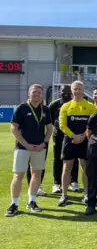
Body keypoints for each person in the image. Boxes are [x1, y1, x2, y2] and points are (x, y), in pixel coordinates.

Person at [5, 84, 53, 217]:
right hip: (22, 148)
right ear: (29, 93)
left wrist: (44, 143)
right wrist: (25, 144)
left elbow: (49, 128)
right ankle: (14, 204)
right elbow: (13, 128)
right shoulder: (21, 108)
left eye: (39, 92)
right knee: (18, 175)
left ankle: (32, 201)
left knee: (36, 174)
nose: (37, 94)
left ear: (42, 95)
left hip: (39, 148)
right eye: (34, 92)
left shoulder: (45, 109)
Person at [58, 81, 97, 207]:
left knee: (85, 166)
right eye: (75, 88)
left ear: (83, 90)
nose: (77, 91)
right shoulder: (65, 106)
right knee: (67, 166)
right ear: (72, 90)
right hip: (70, 140)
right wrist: (74, 136)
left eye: (80, 88)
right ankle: (64, 195)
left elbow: (93, 124)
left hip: (85, 141)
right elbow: (62, 125)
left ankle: (86, 195)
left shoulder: (91, 106)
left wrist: (83, 136)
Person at [48, 85, 79, 194]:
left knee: (74, 159)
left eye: (67, 92)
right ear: (59, 92)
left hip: (72, 136)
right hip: (59, 136)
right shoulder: (54, 105)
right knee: (57, 159)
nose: (65, 94)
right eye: (63, 91)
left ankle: (74, 181)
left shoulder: (75, 103)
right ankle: (57, 183)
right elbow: (50, 121)